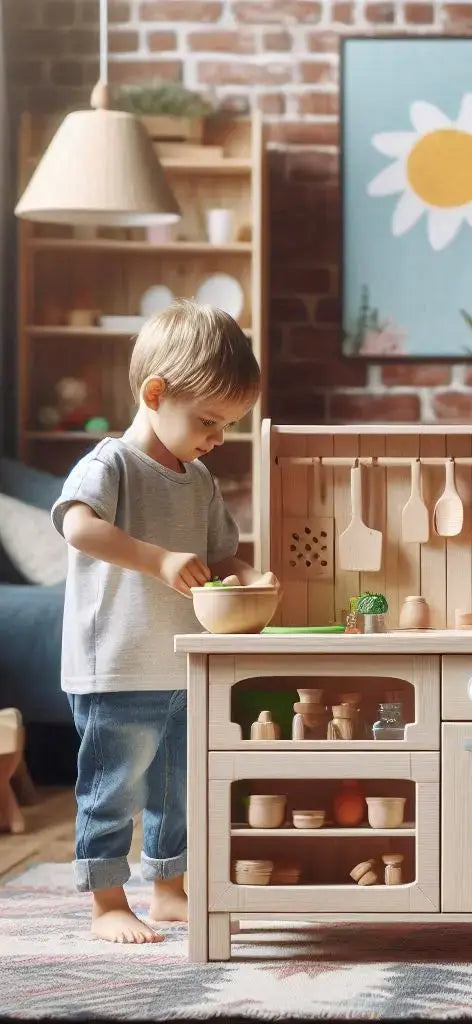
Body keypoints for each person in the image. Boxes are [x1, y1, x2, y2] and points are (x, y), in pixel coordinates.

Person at [51, 300, 277, 944]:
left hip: (183, 662)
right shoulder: (111, 464)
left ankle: (170, 890)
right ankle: (106, 903)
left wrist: (251, 577)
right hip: (115, 666)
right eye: (208, 420)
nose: (217, 437)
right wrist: (156, 558)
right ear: (156, 393)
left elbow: (220, 555)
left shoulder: (200, 480)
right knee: (113, 788)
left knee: (177, 789)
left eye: (229, 424)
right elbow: (78, 526)